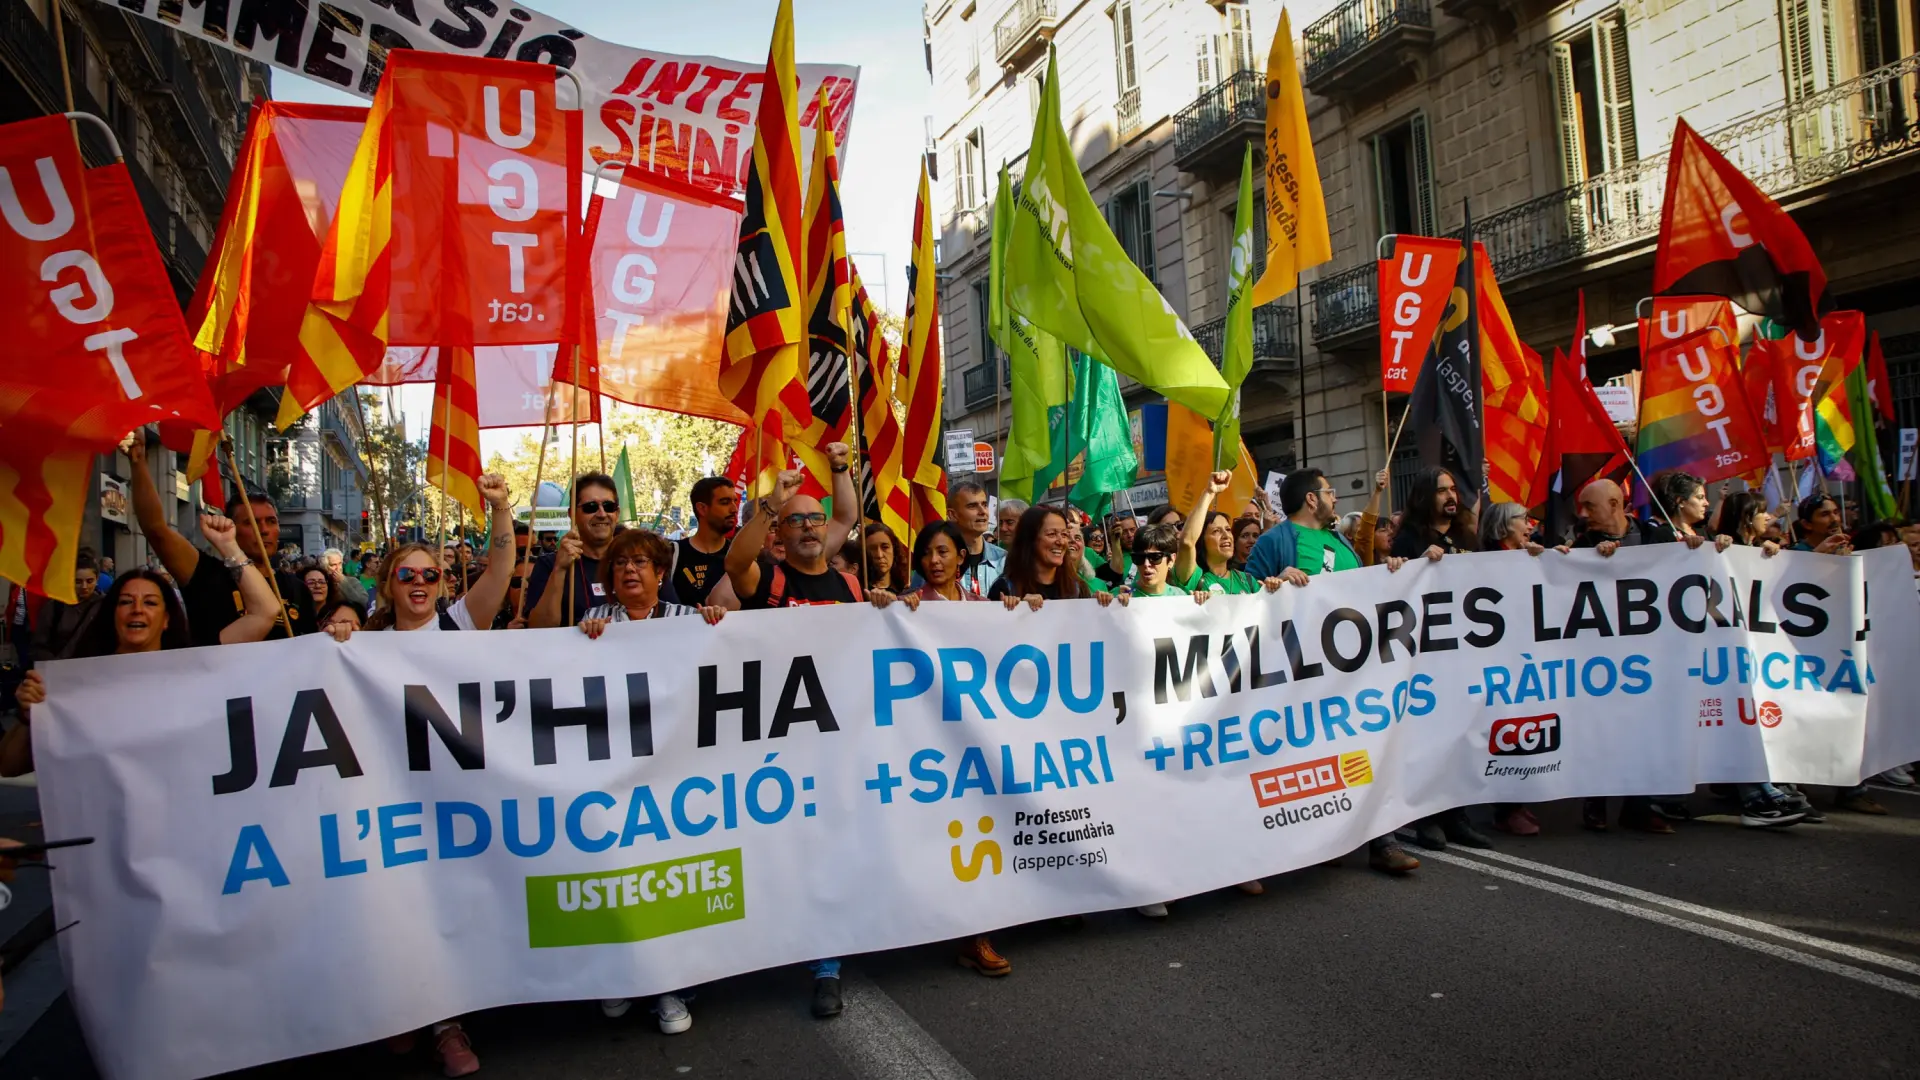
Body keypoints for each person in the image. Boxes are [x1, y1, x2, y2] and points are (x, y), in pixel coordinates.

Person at [327, 475, 511, 1077]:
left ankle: (447, 1022)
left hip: (454, 793)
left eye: (430, 575)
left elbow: (503, 566)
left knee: (445, 902)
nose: (420, 585)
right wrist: (335, 642)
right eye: (407, 575)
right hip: (389, 794)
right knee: (397, 905)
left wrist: (501, 507)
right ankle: (402, 1009)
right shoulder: (365, 638)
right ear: (388, 584)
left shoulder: (459, 624)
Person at [721, 447, 894, 1020]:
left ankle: (826, 962)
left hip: (838, 744)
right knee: (780, 848)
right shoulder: (767, 579)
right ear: (782, 532)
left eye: (814, 519)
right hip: (776, 747)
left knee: (830, 846)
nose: (808, 527)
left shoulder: (848, 585)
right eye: (796, 521)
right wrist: (770, 505)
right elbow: (734, 560)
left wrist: (896, 608)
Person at [574, 527, 723, 1031]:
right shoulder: (594, 621)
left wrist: (717, 626)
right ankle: (620, 977)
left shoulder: (689, 619)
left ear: (661, 573)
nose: (629, 571)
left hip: (674, 776)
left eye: (640, 562)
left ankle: (669, 986)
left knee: (666, 881)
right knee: (618, 877)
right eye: (619, 565)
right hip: (613, 776)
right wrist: (580, 643)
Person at [1248, 469, 1423, 873]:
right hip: (1302, 673)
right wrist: (1271, 583)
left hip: (1354, 670)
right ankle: (1322, 839)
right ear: (1312, 499)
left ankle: (1383, 840)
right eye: (1329, 491)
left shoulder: (1340, 539)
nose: (1336, 498)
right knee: (1313, 758)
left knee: (1365, 748)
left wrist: (1390, 572)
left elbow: (1364, 587)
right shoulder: (1275, 542)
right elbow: (1245, 593)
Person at [4, 529, 280, 777]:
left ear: (167, 618)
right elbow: (8, 765)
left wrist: (229, 546)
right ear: (112, 614)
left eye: (150, 602)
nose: (138, 609)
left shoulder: (192, 666)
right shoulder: (77, 685)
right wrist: (28, 717)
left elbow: (265, 611)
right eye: (126, 602)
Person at [1569, 479, 1694, 833]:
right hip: (1600, 660)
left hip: (1649, 658)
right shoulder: (1582, 544)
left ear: (1614, 503)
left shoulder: (1658, 540)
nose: (1583, 514)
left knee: (1644, 731)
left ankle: (1638, 807)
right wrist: (1576, 559)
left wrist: (1701, 551)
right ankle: (1596, 801)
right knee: (1601, 730)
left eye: (1589, 507)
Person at [125, 434, 315, 644]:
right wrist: (138, 462)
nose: (264, 530)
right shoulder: (203, 573)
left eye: (271, 521)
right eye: (250, 523)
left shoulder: (297, 590)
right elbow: (156, 529)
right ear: (230, 527)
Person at [1477, 501, 1561, 837]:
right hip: (1499, 660)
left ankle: (1518, 799)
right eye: (1523, 519)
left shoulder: (1531, 556)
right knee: (1506, 725)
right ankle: (1506, 807)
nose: (1530, 524)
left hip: (1526, 657)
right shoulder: (1482, 562)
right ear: (1502, 526)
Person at [988, 506, 1122, 611]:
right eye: (1051, 534)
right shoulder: (1005, 588)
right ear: (1029, 540)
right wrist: (1018, 610)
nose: (1061, 542)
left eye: (1064, 534)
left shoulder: (1077, 587)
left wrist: (1101, 606)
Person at [1175, 471, 1284, 596]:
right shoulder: (1193, 577)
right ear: (1200, 540)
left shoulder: (1248, 581)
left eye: (1227, 529)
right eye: (1216, 531)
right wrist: (1209, 493)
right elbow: (1187, 542)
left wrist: (1274, 586)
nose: (1226, 536)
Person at [670, 477, 737, 607]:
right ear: (702, 508)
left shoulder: (739, 556)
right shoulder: (672, 554)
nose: (734, 509)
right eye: (725, 502)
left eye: (735, 501)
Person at [30, 557, 104, 662]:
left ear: (97, 579)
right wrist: (54, 664)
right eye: (78, 581)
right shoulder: (55, 606)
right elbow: (39, 645)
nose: (84, 586)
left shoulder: (106, 605)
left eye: (89, 581)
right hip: (61, 668)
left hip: (96, 669)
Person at [947, 478, 1005, 596]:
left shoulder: (1005, 560)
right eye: (972, 506)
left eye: (984, 504)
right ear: (952, 515)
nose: (982, 511)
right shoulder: (938, 562)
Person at [860, 522, 912, 593]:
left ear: (894, 549)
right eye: (872, 549)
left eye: (885, 547)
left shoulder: (907, 589)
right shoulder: (856, 590)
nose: (879, 555)